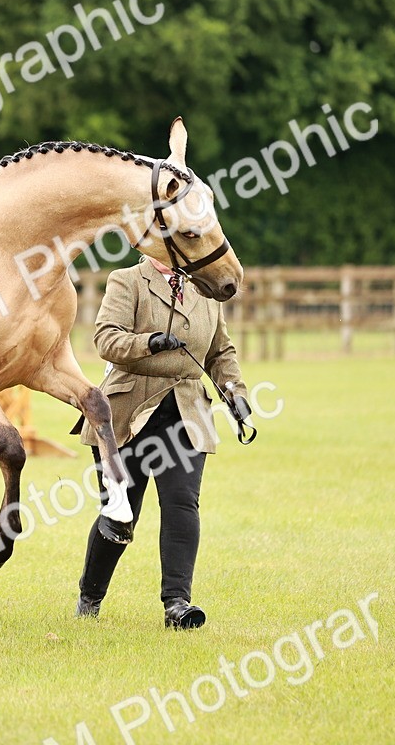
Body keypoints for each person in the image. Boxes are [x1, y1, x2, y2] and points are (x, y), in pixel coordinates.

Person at [76, 255, 247, 629]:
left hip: (186, 412)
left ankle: (177, 604)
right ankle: (89, 598)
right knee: (122, 516)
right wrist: (149, 343)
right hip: (126, 412)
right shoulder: (128, 280)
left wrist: (235, 393)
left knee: (182, 504)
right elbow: (106, 339)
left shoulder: (204, 286)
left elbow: (221, 352)